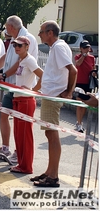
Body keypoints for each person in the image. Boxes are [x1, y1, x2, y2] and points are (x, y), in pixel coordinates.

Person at [0, 15, 38, 160]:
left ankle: (19, 153)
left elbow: (21, 62)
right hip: (10, 87)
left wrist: (4, 75)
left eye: (6, 28)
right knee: (3, 114)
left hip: (21, 89)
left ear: (11, 27)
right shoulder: (15, 39)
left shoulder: (26, 39)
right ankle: (5, 148)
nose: (6, 31)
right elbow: (6, 57)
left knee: (21, 124)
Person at [31, 20, 77, 187]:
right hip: (50, 95)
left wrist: (69, 92)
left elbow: (73, 70)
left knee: (52, 135)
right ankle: (50, 172)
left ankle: (53, 176)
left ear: (50, 33)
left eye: (42, 31)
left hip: (53, 96)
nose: (40, 34)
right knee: (50, 134)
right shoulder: (56, 47)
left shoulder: (58, 47)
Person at [0, 36, 43, 174]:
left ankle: (26, 166)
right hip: (18, 99)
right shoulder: (22, 60)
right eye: (15, 45)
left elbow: (43, 75)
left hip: (26, 100)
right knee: (18, 134)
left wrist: (34, 90)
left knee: (25, 135)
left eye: (20, 45)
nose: (17, 47)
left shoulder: (29, 60)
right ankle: (21, 164)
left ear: (26, 47)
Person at [74, 40, 96, 133]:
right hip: (79, 83)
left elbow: (93, 69)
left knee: (85, 105)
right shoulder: (77, 56)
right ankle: (79, 124)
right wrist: (83, 55)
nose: (86, 49)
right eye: (84, 48)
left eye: (87, 47)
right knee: (80, 105)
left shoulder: (92, 58)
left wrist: (94, 73)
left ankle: (79, 121)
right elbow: (78, 64)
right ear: (81, 49)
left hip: (88, 84)